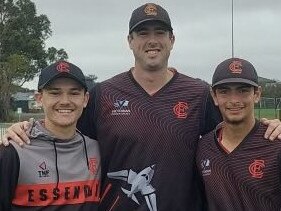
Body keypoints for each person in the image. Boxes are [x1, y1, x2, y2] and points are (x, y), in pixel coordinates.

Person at [1, 3, 281, 211]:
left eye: (160, 32)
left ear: (172, 40)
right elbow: (66, 134)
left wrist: (272, 128)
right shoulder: (103, 93)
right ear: (130, 42)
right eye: (142, 32)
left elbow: (230, 137)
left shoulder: (197, 93)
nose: (152, 40)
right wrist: (25, 129)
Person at [0, 61, 101, 210]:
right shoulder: (14, 150)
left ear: (85, 99)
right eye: (55, 93)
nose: (65, 101)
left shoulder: (98, 149)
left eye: (74, 93)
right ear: (39, 98)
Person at [196, 57, 281, 210]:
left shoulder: (275, 143)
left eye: (242, 90)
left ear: (257, 94)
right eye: (224, 91)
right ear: (214, 96)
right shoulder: (203, 147)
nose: (234, 100)